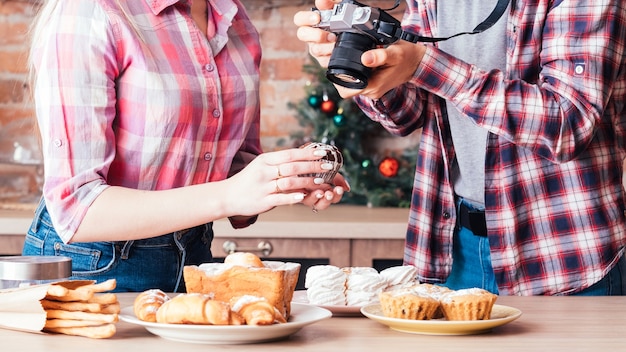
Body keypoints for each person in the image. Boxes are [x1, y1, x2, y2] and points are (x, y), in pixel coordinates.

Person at [294, 0, 626, 295]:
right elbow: (407, 114)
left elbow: (568, 123)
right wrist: (362, 63)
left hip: (563, 254)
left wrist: (426, 65)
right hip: (452, 248)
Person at [23, 0, 348, 293]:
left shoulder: (233, 17)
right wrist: (229, 195)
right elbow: (77, 209)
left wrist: (285, 179)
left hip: (193, 259)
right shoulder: (90, 11)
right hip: (90, 267)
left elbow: (228, 171)